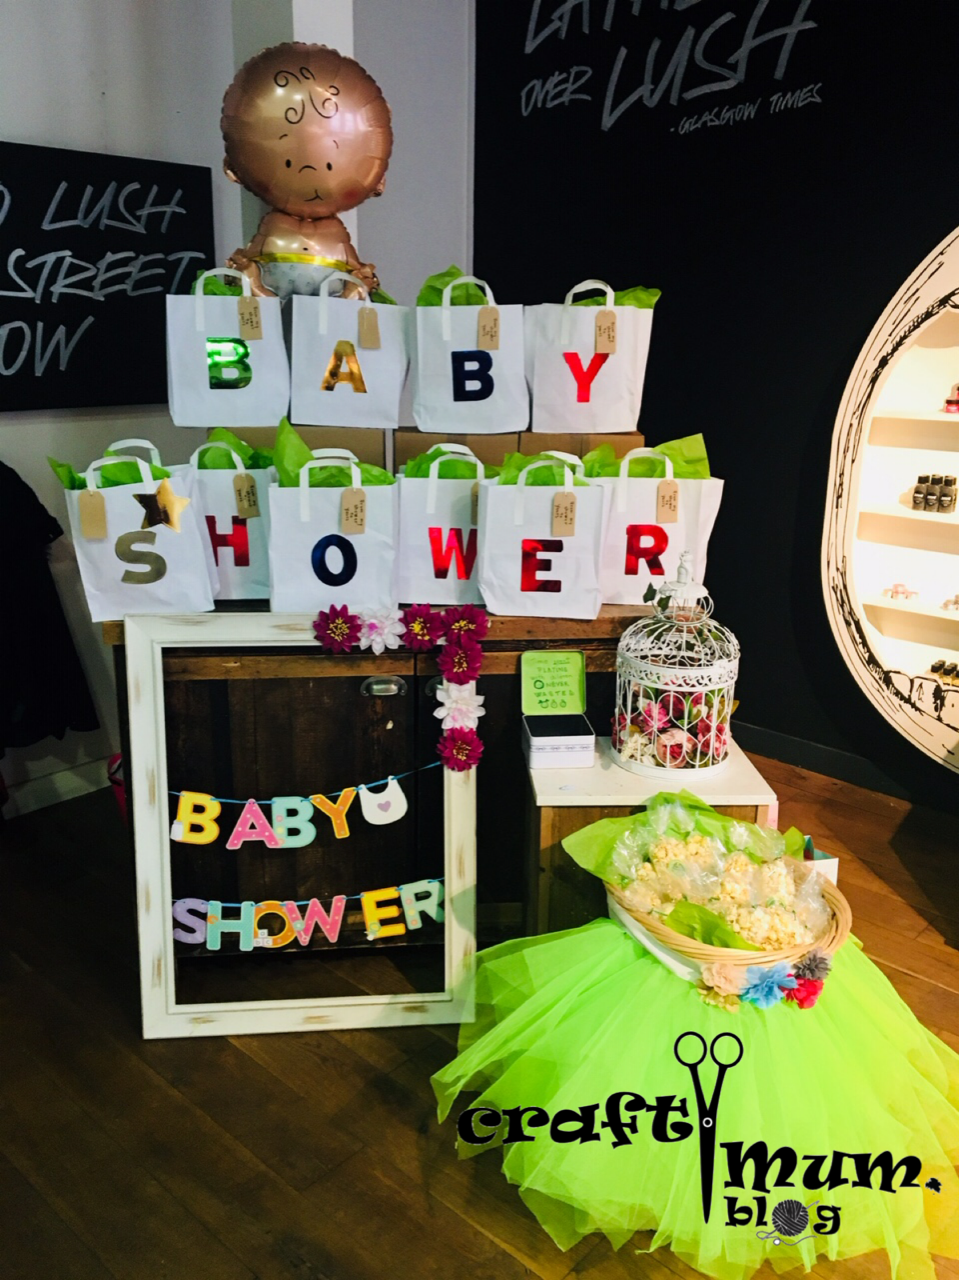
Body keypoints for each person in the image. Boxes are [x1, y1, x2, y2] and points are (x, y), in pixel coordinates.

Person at [220, 42, 392, 299]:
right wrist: (251, 283)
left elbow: (345, 308)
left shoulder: (335, 240)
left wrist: (358, 289)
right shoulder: (271, 234)